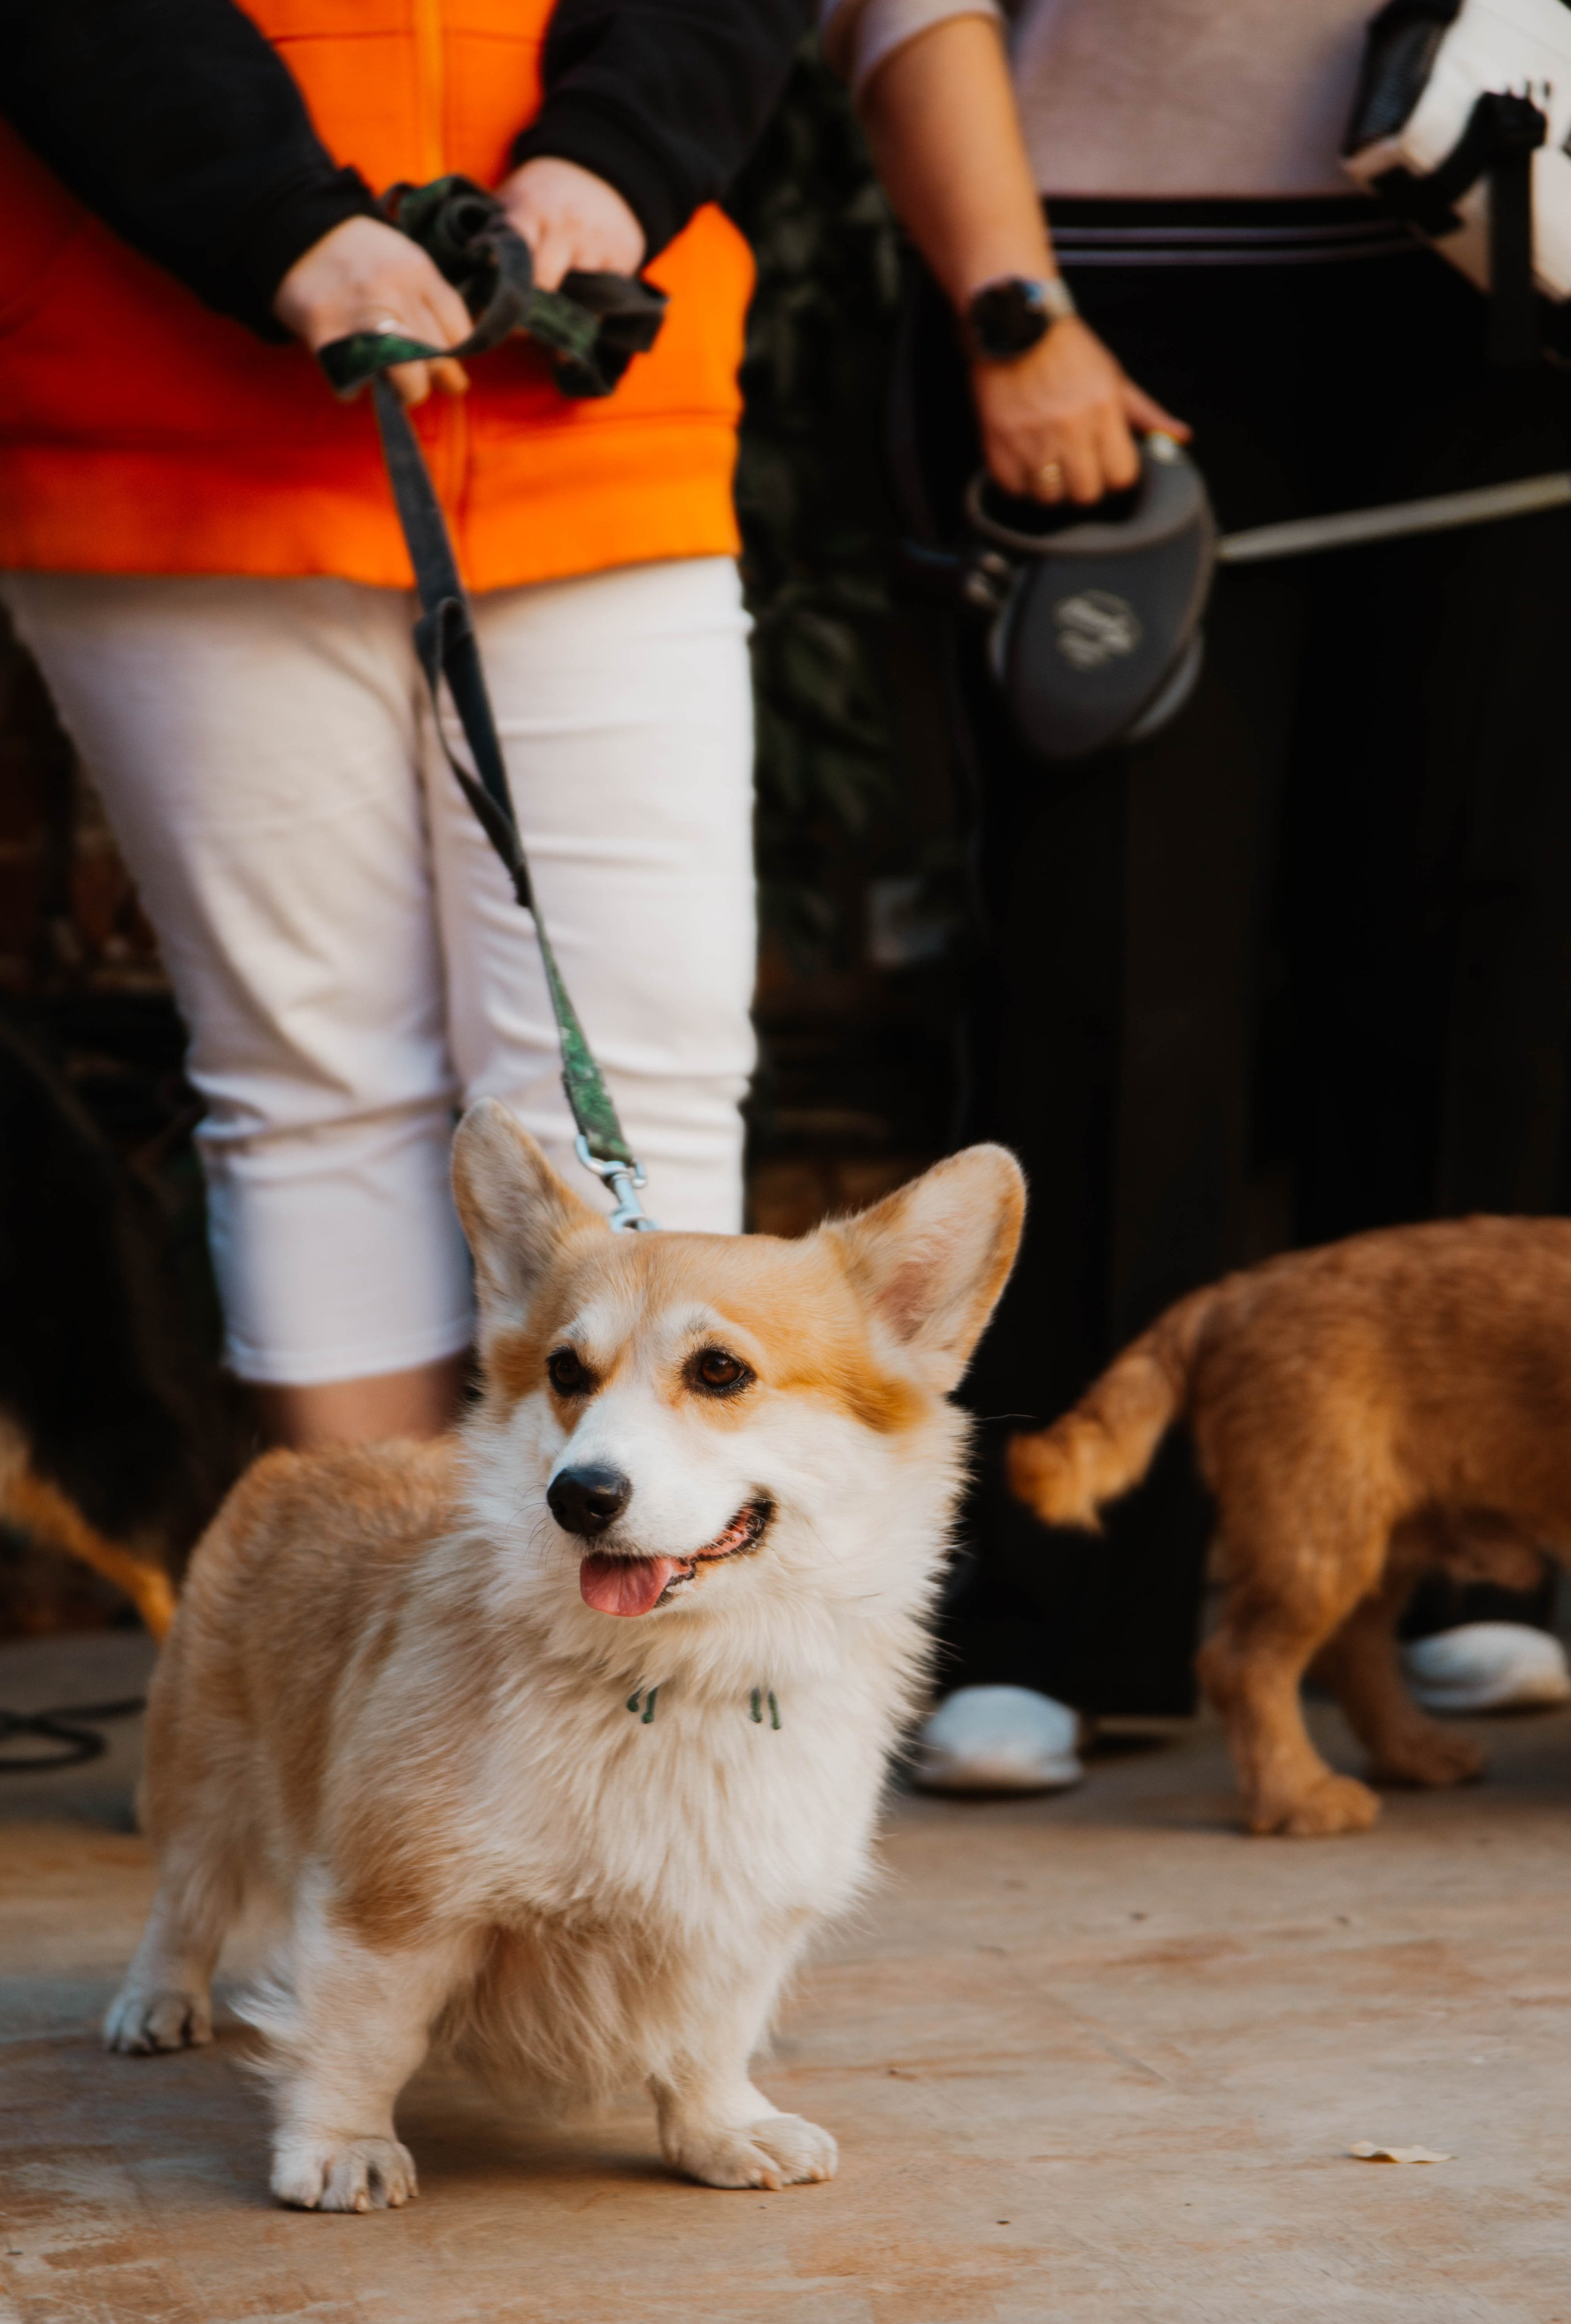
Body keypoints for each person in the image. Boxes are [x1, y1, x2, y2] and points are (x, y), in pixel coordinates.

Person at [822, 0, 1571, 1788]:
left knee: (1492, 932)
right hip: (1114, 288)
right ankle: (1061, 1605)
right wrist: (1013, 309)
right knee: (1115, 967)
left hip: (1518, 261)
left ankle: (1465, 1553)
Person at [0, 0, 800, 1448]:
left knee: (640, 1073)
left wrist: (612, 160)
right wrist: (272, 218)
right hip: (168, 396)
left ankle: (622, 1660)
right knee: (315, 1085)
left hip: (591, 391)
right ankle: (370, 1649)